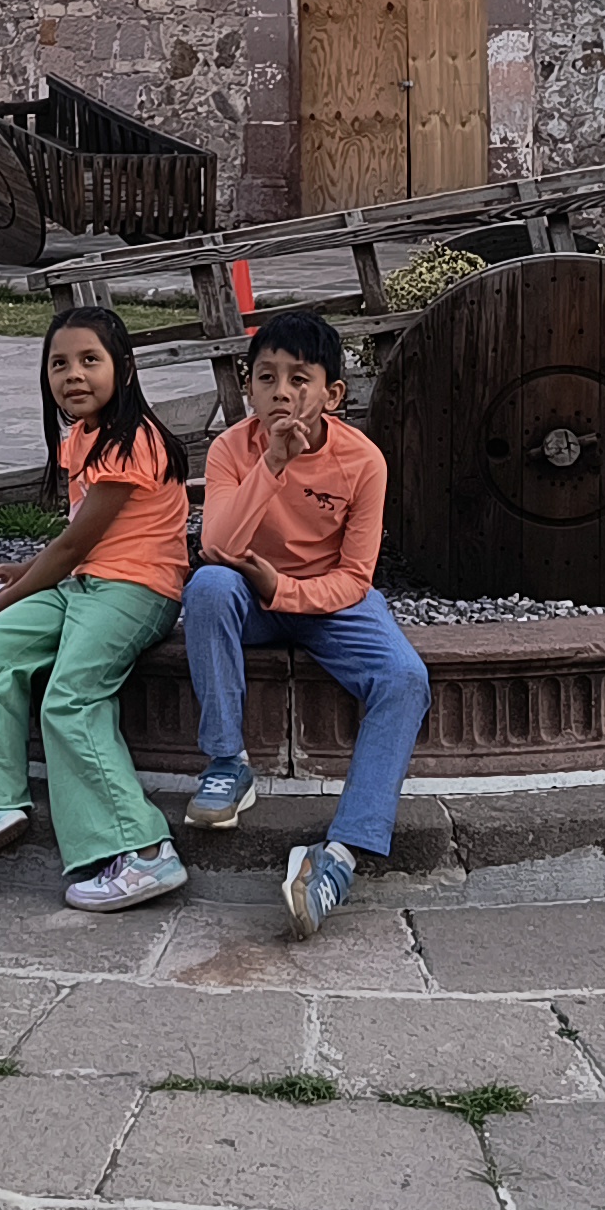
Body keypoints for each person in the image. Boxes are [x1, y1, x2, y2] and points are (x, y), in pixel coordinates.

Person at [0, 303, 195, 912]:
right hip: (86, 584)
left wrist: (15, 593)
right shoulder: (83, 437)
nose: (74, 375)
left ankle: (144, 852)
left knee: (72, 696)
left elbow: (74, 546)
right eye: (59, 364)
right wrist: (22, 573)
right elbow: (76, 542)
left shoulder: (134, 440)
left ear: (123, 366)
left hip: (137, 592)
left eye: (90, 360)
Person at [176, 308, 427, 936]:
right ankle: (227, 764)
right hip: (245, 593)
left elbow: (355, 576)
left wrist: (284, 587)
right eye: (266, 378)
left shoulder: (364, 462)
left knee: (404, 679)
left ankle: (340, 856)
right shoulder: (233, 447)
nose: (281, 392)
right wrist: (274, 467)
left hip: (331, 602)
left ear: (332, 394)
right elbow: (216, 546)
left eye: (298, 379)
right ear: (248, 387)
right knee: (207, 587)